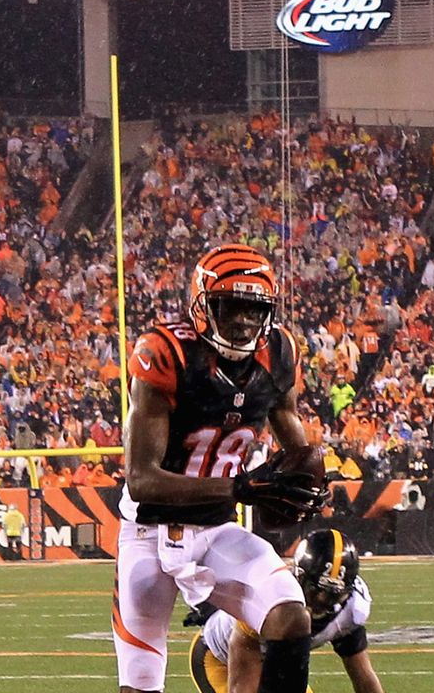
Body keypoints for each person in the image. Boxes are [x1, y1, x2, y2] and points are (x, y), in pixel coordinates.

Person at [114, 243, 328, 693]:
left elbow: (291, 432)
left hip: (215, 530)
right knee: (140, 685)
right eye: (232, 306)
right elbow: (142, 480)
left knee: (289, 615)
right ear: (203, 304)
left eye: (255, 308)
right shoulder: (166, 354)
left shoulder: (280, 353)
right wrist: (241, 488)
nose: (245, 320)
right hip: (149, 533)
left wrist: (308, 479)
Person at [189, 530, 383, 693]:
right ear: (298, 577)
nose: (322, 602)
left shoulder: (350, 610)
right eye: (315, 591)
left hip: (275, 660)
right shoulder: (271, 600)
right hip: (221, 659)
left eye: (333, 596)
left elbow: (363, 677)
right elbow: (244, 671)